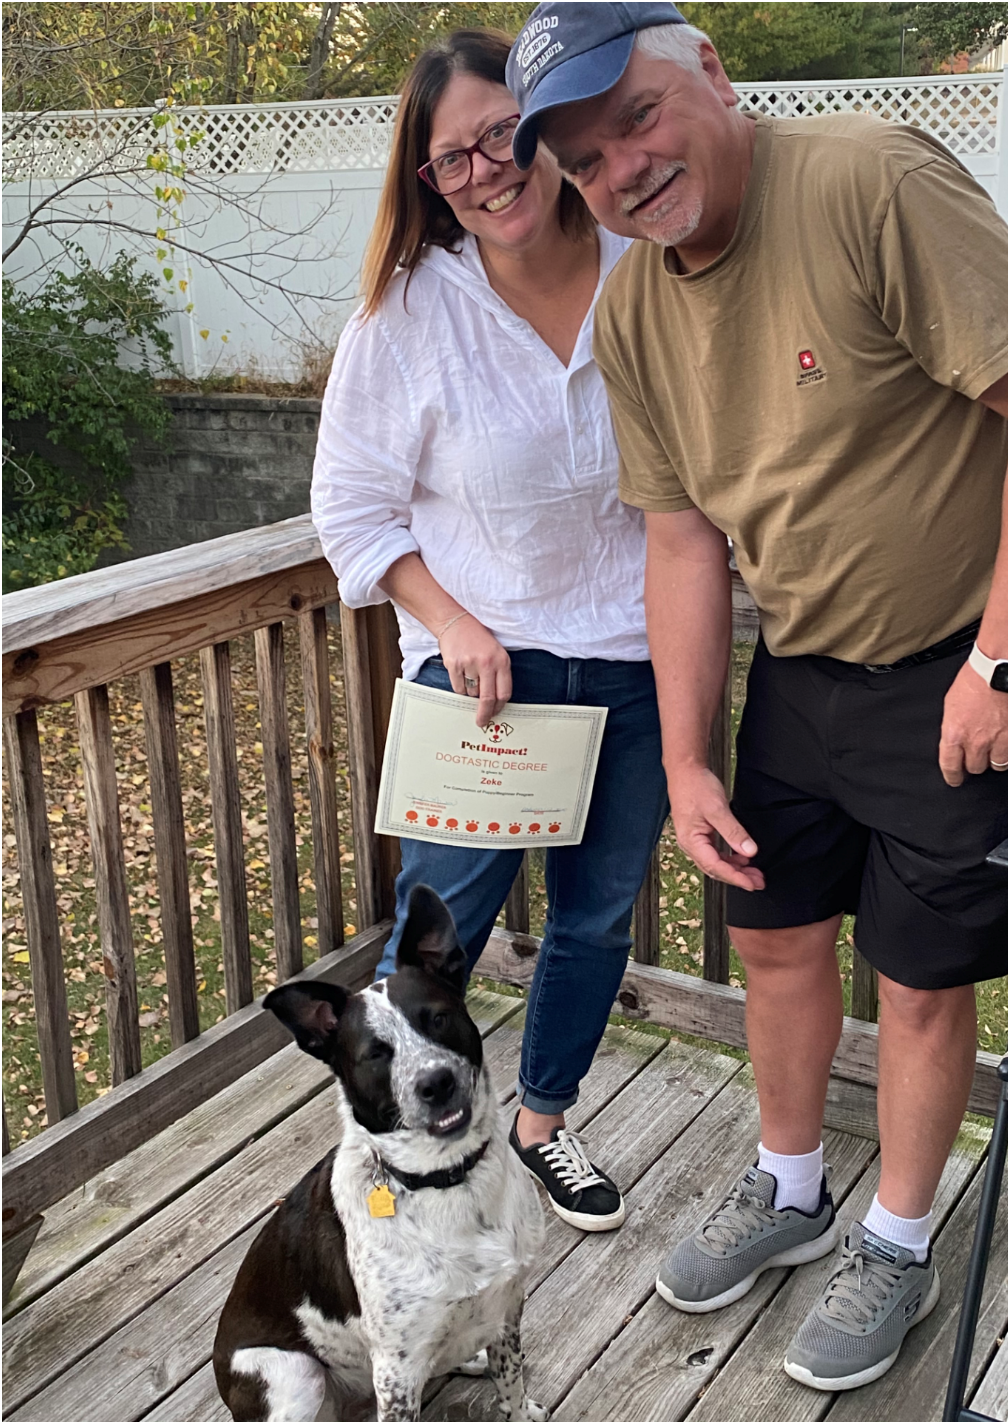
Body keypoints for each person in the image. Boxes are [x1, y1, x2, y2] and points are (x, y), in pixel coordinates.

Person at [505, 0, 1008, 1391]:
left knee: (922, 981)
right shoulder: (632, 301)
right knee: (771, 942)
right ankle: (793, 1185)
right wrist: (689, 758)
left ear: (710, 73)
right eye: (580, 158)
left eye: (631, 117)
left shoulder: (870, 177)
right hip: (801, 674)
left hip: (958, 661)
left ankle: (895, 1234)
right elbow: (685, 538)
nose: (618, 170)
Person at [311, 28, 668, 1234]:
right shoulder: (406, 316)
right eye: (447, 158)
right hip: (479, 690)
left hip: (634, 664)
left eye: (498, 134)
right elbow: (350, 508)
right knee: (436, 935)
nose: (484, 169)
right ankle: (391, 1148)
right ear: (426, 181)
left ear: (547, 123)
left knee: (594, 918)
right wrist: (451, 619)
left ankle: (541, 1124)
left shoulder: (648, 267)